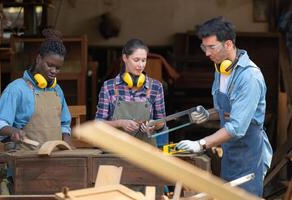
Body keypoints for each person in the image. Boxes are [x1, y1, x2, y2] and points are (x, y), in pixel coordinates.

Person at [176, 17, 273, 196]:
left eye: (211, 47)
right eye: (204, 47)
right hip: (229, 153)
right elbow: (225, 111)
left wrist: (201, 143)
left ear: (228, 44)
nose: (206, 53)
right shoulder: (221, 70)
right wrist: (208, 114)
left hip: (248, 155)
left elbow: (236, 127)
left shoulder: (249, 77)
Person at [0, 29, 73, 150]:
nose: (54, 71)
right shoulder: (16, 88)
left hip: (56, 160)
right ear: (38, 59)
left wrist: (67, 143)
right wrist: (13, 131)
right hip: (25, 162)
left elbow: (64, 124)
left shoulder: (57, 90)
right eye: (50, 65)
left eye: (58, 68)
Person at [95, 38, 167, 147]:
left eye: (144, 60)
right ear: (125, 58)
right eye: (136, 60)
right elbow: (98, 124)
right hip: (115, 152)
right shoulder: (108, 87)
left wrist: (152, 125)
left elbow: (162, 122)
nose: (141, 65)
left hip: (146, 152)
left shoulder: (156, 87)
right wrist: (120, 123)